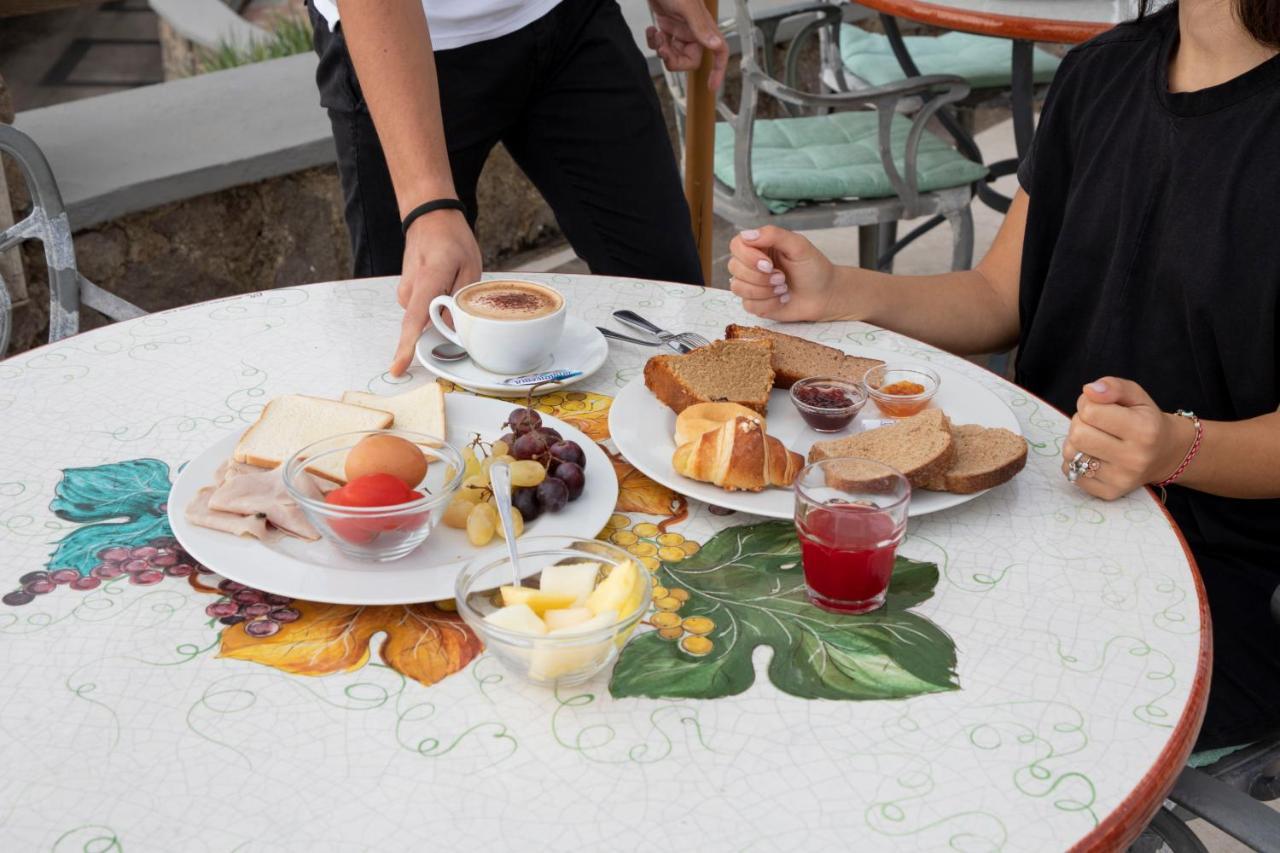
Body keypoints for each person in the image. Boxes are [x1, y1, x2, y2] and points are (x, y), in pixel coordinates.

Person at [726, 0, 1280, 749]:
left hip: (1208, 587)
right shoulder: (1099, 74)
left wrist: (1177, 447)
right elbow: (997, 297)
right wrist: (839, 291)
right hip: (1023, 512)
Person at [306, 0, 727, 374]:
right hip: (403, 45)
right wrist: (427, 203)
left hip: (571, 18)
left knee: (668, 299)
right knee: (416, 347)